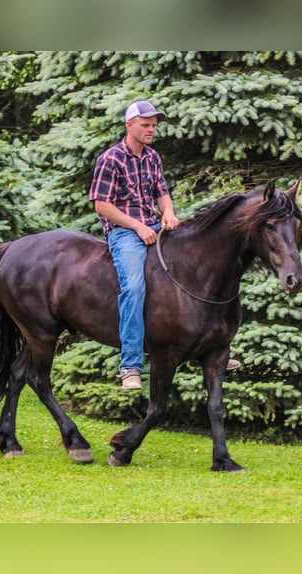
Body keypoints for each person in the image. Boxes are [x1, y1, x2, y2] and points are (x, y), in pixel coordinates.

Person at [89, 100, 239, 390]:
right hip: (125, 233)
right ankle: (130, 365)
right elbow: (101, 205)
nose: (150, 130)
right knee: (133, 287)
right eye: (145, 125)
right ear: (129, 125)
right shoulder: (111, 159)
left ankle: (211, 348)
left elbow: (162, 193)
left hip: (155, 227)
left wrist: (168, 212)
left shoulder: (152, 157)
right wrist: (137, 226)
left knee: (197, 268)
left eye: (154, 126)